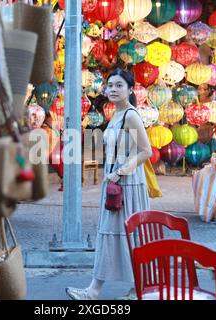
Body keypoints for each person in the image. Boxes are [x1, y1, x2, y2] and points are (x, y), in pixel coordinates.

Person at [65, 69, 152, 300]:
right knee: (109, 233)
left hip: (129, 184)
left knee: (129, 234)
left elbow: (146, 151)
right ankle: (100, 290)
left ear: (130, 89)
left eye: (119, 85)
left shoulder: (130, 115)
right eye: (110, 85)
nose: (113, 89)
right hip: (114, 184)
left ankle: (122, 290)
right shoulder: (114, 114)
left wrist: (121, 172)